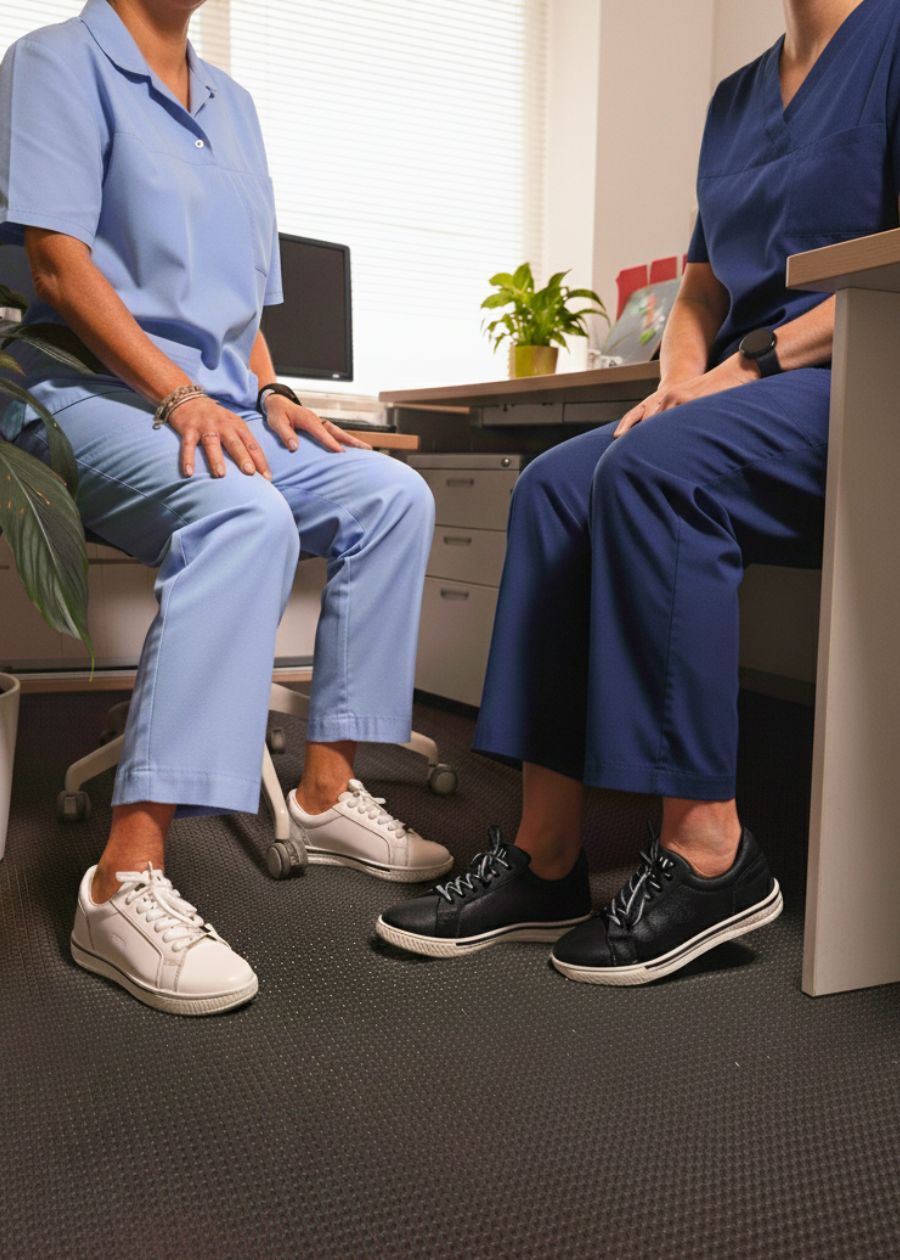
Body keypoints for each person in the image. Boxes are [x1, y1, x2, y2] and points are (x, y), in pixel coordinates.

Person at [377, 0, 900, 984]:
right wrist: (676, 377)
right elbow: (700, 284)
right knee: (552, 487)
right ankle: (545, 855)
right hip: (731, 383)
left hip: (858, 379)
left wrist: (743, 367)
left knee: (656, 469)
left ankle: (711, 853)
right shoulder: (735, 98)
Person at [0, 0, 452, 1016]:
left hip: (223, 407)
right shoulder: (56, 62)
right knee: (246, 514)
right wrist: (177, 393)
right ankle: (121, 881)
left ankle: (328, 790)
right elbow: (60, 269)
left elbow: (245, 317)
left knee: (390, 495)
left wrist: (278, 394)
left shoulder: (234, 107)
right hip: (88, 396)